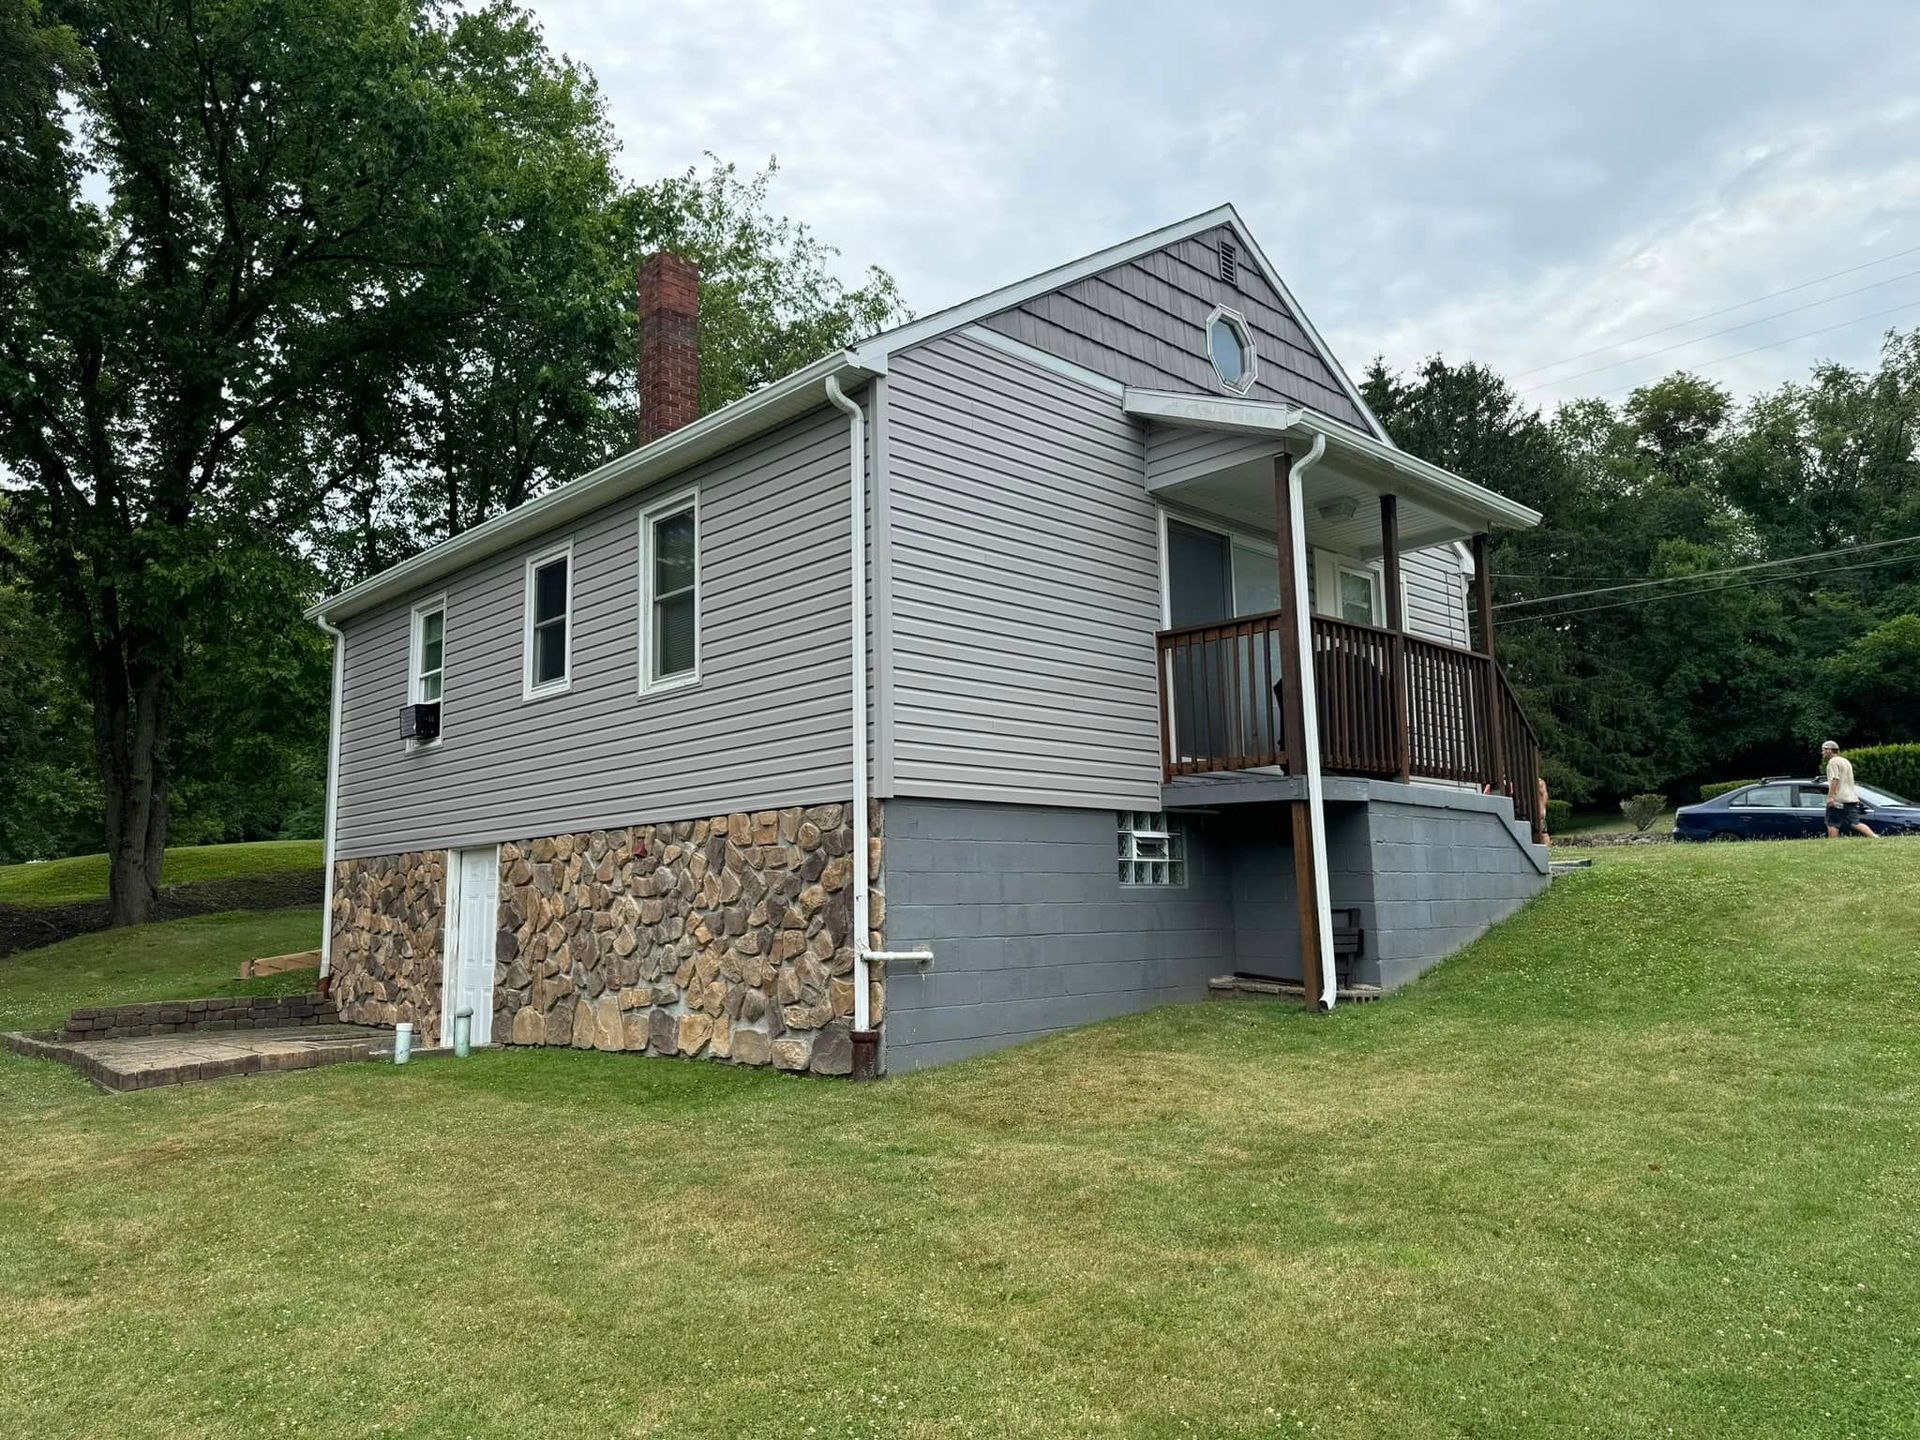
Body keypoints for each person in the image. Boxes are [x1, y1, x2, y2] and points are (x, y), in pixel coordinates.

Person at [1820, 740, 1877, 839]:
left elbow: (1835, 779)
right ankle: (1874, 836)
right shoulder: (1845, 761)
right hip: (1851, 798)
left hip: (1838, 800)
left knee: (1832, 823)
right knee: (1855, 823)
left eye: (1824, 750)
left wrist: (1830, 797)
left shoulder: (1832, 762)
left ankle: (1832, 844)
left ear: (1830, 750)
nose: (1822, 752)